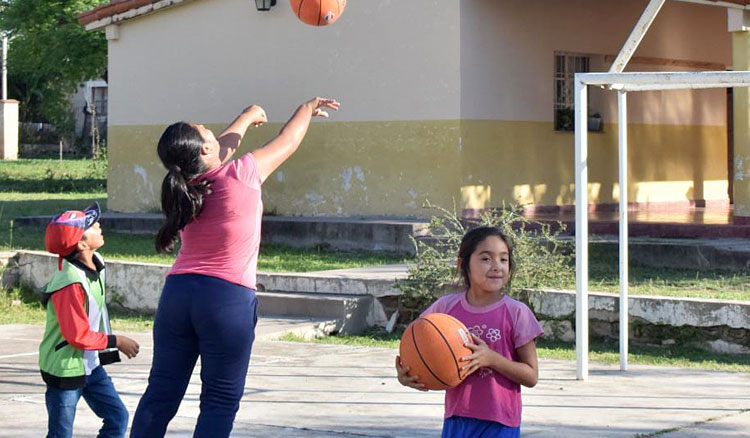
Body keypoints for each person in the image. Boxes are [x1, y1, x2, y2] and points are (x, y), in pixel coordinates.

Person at [130, 97, 340, 438]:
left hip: (178, 296)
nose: (214, 132)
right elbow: (287, 142)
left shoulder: (186, 188)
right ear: (202, 152)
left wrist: (246, 117)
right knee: (219, 401)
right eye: (207, 132)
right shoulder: (242, 175)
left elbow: (217, 151)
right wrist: (306, 108)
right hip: (225, 300)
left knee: (161, 394)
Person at [396, 226, 543, 438]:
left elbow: (531, 376)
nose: (496, 266)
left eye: (503, 259)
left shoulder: (517, 313)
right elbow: (418, 346)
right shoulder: (444, 309)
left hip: (500, 422)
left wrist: (492, 359)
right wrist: (408, 375)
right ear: (463, 263)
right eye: (486, 259)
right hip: (457, 419)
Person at [40, 202, 141, 438]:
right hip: (65, 369)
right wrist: (117, 340)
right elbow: (77, 335)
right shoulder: (69, 283)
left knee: (117, 418)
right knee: (60, 434)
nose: (98, 225)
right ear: (82, 244)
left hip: (90, 365)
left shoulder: (98, 263)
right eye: (91, 225)